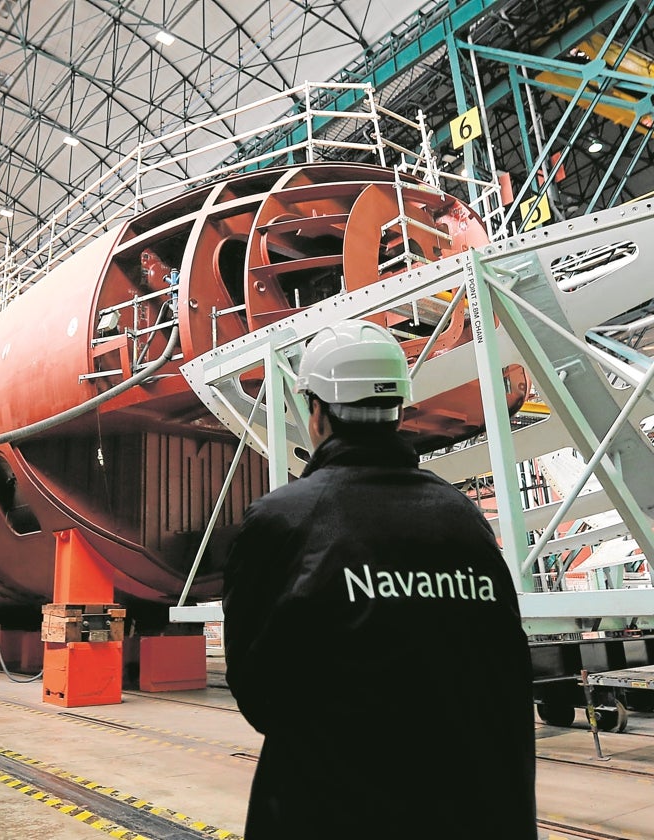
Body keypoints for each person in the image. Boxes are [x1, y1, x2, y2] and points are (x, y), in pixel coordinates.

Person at [222, 319, 536, 839]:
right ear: (398, 411)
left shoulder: (283, 521)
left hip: (331, 810)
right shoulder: (462, 517)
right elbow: (502, 664)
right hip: (476, 809)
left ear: (316, 411)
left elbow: (258, 690)